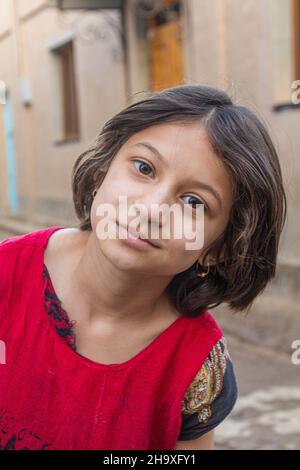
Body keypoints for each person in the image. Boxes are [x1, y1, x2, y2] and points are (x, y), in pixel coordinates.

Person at [0, 84, 287, 450]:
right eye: (143, 168)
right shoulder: (6, 274)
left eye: (194, 202)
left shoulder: (197, 368)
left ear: (219, 249)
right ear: (101, 171)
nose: (151, 209)